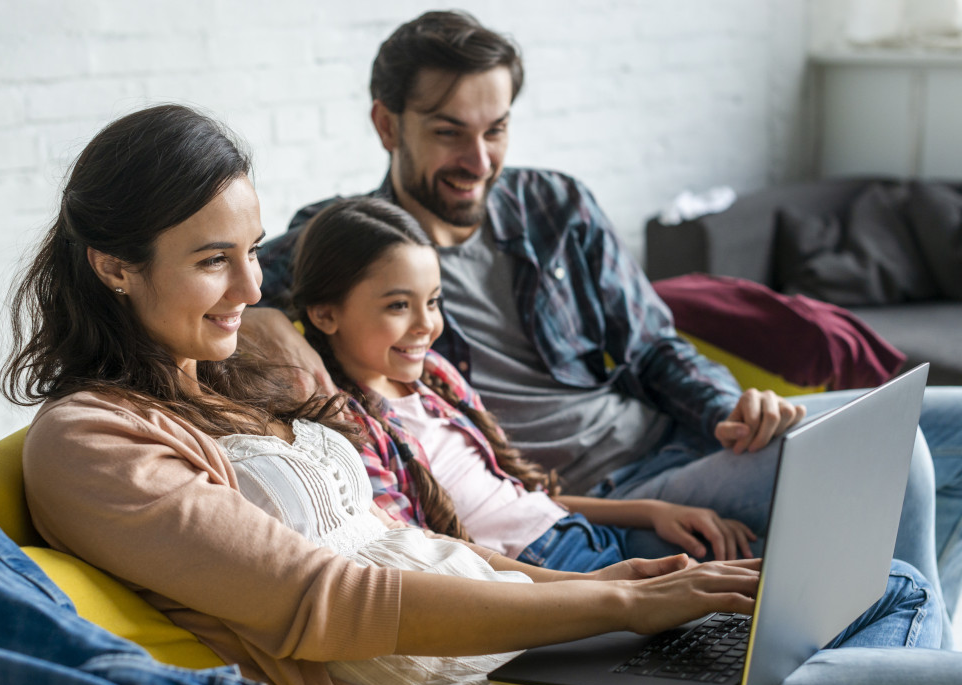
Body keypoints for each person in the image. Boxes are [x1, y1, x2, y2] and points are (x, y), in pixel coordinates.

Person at [0, 103, 962, 685]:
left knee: (896, 586)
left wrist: (582, 582)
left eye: (253, 252)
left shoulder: (239, 370)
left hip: (545, 636)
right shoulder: (90, 442)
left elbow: (404, 537)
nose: (254, 287)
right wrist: (616, 610)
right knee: (927, 681)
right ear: (112, 266)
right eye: (215, 260)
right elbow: (327, 600)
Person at [253, 10, 962, 635]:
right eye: (448, 133)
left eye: (495, 130)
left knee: (950, 426)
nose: (478, 161)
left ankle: (922, 643)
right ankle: (909, 659)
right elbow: (232, 295)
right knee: (896, 459)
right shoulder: (351, 247)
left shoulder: (556, 205)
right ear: (387, 124)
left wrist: (726, 409)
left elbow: (653, 345)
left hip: (688, 441)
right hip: (601, 493)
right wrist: (278, 330)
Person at [290, 196, 757, 566]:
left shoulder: (435, 378)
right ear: (326, 313)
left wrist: (655, 512)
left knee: (756, 569)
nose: (426, 326)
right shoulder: (347, 429)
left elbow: (524, 502)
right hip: (540, 570)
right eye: (398, 306)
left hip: (579, 532)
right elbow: (419, 554)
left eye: (433, 302)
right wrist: (600, 593)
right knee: (732, 604)